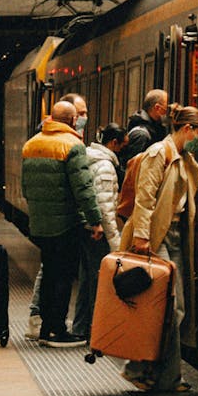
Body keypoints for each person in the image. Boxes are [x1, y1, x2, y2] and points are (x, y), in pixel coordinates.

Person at [120, 102, 198, 393]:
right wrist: (142, 239)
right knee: (171, 307)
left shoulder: (185, 158)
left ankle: (164, 376)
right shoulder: (158, 154)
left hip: (175, 236)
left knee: (172, 308)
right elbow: (145, 198)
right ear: (186, 129)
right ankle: (139, 367)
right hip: (156, 237)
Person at [21, 100, 103, 347]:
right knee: (64, 276)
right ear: (72, 120)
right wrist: (95, 220)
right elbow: (84, 188)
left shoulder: (31, 144)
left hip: (40, 223)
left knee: (49, 274)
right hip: (66, 223)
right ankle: (58, 329)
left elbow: (26, 187)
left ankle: (46, 328)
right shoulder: (73, 146)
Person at [71, 123, 128, 342]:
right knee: (99, 281)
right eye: (122, 146)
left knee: (87, 279)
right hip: (98, 232)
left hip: (87, 229)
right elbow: (105, 207)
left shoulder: (90, 158)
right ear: (113, 143)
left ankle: (81, 327)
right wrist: (115, 241)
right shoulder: (105, 166)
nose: (122, 152)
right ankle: (96, 330)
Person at [123, 88, 168, 162]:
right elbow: (133, 167)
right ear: (157, 108)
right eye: (166, 108)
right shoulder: (141, 135)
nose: (168, 113)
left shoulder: (156, 128)